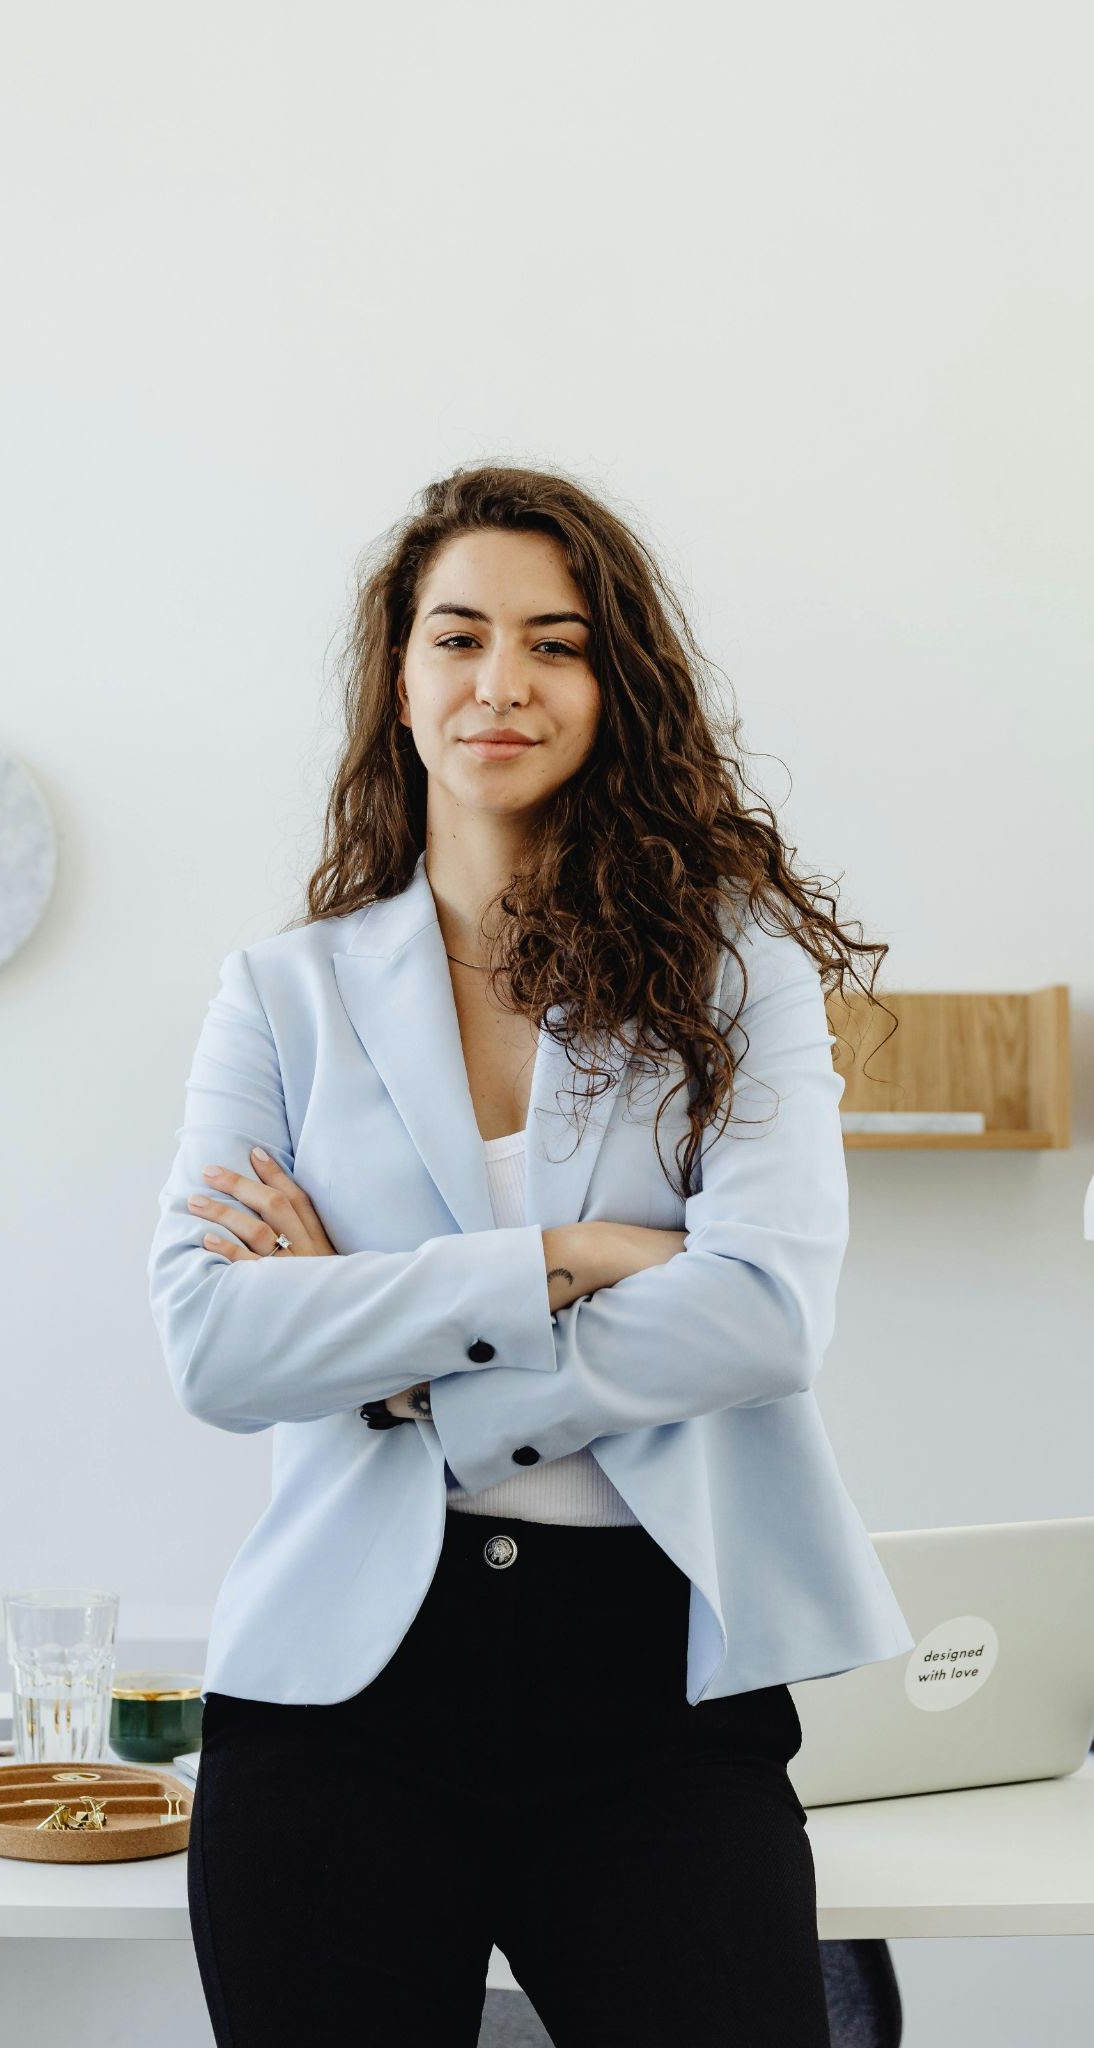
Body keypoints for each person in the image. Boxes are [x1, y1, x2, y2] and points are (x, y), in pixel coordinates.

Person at [148, 462, 914, 2046]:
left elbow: (762, 1316)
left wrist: (393, 1359)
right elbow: (217, 1348)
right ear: (401, 679)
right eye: (459, 636)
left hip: (656, 1699)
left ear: (610, 686)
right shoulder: (279, 996)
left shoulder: (734, 972)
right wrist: (568, 1253)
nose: (502, 681)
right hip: (334, 1705)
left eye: (555, 643)